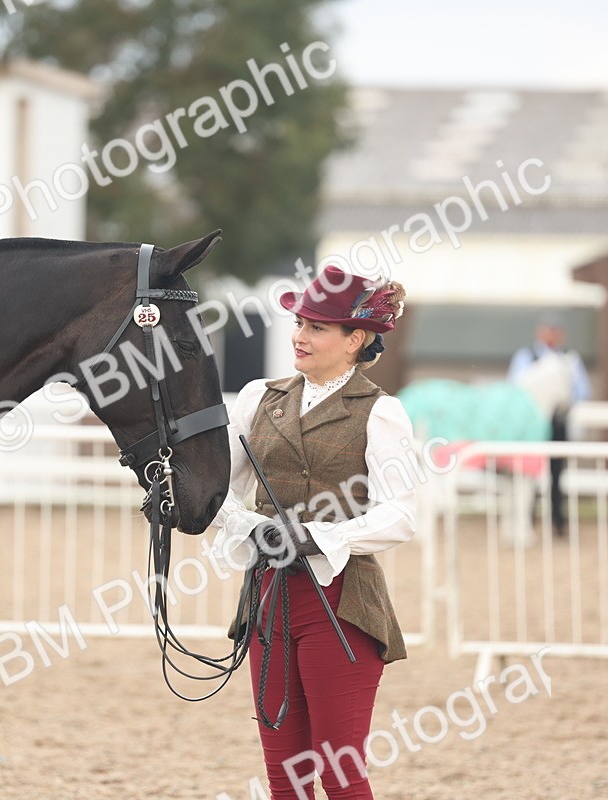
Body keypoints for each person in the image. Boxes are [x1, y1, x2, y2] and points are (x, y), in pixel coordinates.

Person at [213, 266, 417, 800]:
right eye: (300, 322)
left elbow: (400, 514)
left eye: (318, 327)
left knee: (338, 773)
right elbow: (218, 492)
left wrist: (317, 537)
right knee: (286, 778)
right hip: (267, 600)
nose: (300, 336)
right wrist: (243, 524)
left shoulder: (381, 413)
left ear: (355, 340)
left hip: (342, 604)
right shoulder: (258, 397)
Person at [507, 313, 592, 538]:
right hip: (531, 423)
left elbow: (582, 391)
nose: (552, 335)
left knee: (557, 474)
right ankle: (526, 520)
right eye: (548, 330)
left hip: (557, 420)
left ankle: (558, 522)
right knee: (527, 470)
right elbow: (515, 387)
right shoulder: (526, 357)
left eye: (556, 331)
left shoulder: (569, 360)